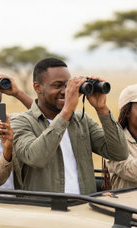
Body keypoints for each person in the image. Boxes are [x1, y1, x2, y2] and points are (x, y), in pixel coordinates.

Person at [11, 57, 129, 195]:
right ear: (37, 87)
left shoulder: (81, 120)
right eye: (57, 85)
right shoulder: (21, 122)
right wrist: (67, 110)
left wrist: (102, 108)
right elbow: (36, 158)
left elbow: (119, 153)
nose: (65, 91)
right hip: (44, 211)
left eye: (67, 85)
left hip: (83, 207)